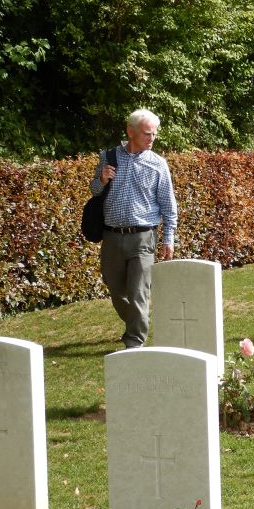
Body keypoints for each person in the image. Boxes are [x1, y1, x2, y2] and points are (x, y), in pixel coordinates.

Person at [90, 108, 177, 348]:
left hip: (143, 238)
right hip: (112, 236)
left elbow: (169, 206)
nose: (152, 139)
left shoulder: (158, 164)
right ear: (131, 131)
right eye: (147, 134)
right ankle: (136, 323)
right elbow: (95, 191)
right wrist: (102, 180)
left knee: (139, 293)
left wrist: (168, 239)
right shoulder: (108, 157)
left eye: (154, 135)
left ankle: (134, 342)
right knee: (116, 290)